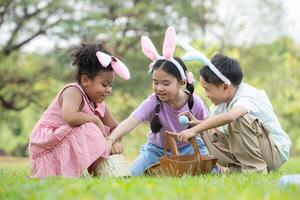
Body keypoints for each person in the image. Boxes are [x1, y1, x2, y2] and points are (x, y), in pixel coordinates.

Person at [106, 27, 209, 176]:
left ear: (181, 82)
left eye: (166, 83)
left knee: (209, 170)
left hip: (190, 147)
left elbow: (209, 126)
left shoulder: (194, 102)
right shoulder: (153, 101)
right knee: (132, 175)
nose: (159, 88)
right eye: (155, 82)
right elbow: (131, 121)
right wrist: (111, 139)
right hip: (157, 149)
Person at [177, 51, 292, 173]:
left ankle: (255, 170)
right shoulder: (220, 105)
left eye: (207, 89)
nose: (206, 94)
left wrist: (194, 130)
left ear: (226, 87)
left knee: (239, 119)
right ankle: (237, 168)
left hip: (274, 153)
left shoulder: (248, 95)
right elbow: (218, 127)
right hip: (256, 152)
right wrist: (198, 125)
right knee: (208, 129)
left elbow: (231, 116)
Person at [28, 43, 130, 178]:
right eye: (104, 85)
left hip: (64, 138)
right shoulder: (73, 91)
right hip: (48, 143)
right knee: (90, 128)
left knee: (95, 129)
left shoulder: (99, 104)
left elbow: (115, 127)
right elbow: (70, 117)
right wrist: (95, 120)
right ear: (85, 80)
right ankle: (91, 170)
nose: (109, 90)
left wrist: (115, 141)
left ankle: (104, 170)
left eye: (111, 85)